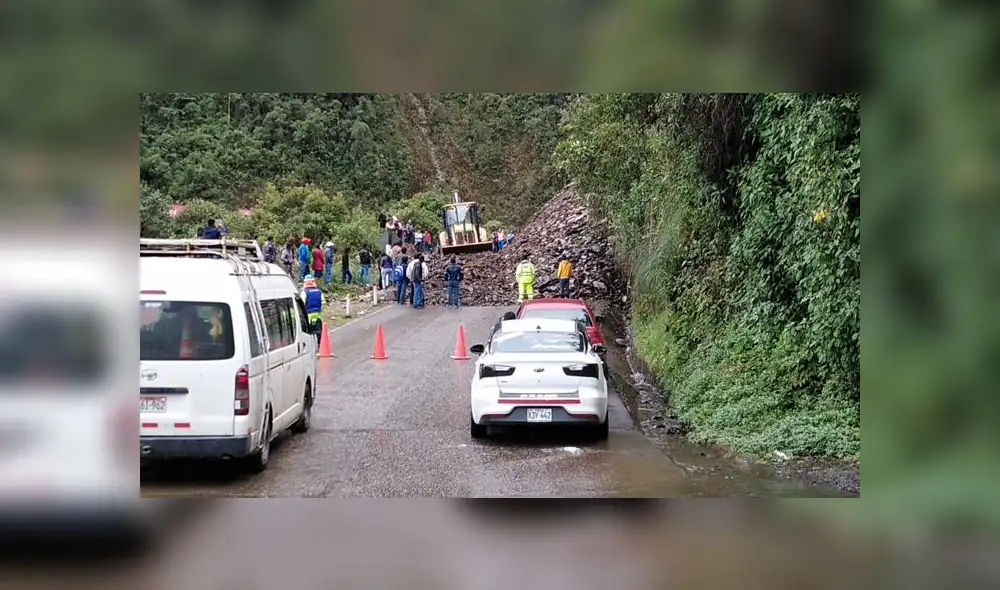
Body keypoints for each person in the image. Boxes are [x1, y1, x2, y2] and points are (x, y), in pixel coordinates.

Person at [300, 275, 324, 347]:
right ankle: (320, 343)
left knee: (307, 331)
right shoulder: (319, 292)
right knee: (319, 330)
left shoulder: (304, 292)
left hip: (308, 314)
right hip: (318, 314)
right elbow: (323, 302)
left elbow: (302, 304)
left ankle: (308, 346)